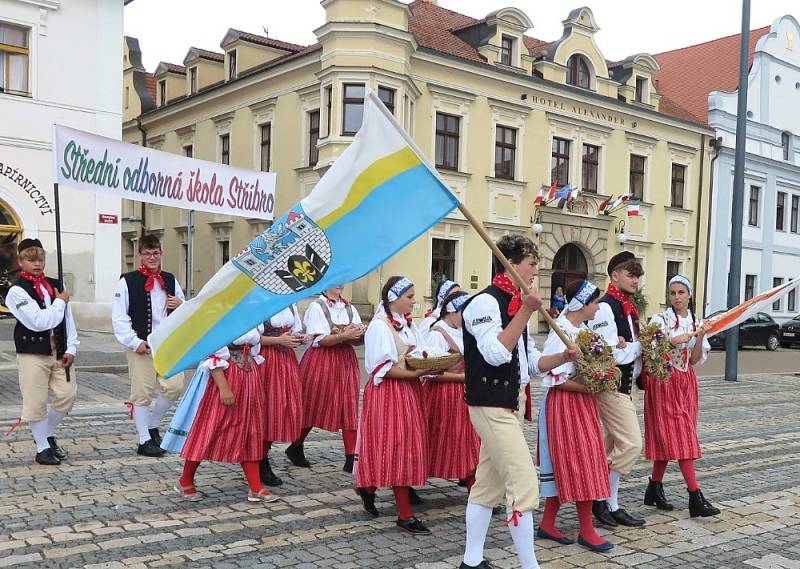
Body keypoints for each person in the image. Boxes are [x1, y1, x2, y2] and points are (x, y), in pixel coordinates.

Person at [459, 234, 580, 569]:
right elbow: (495, 354)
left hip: (508, 405)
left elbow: (528, 364)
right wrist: (526, 312)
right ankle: (530, 566)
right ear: (511, 264)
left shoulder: (516, 303)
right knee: (524, 484)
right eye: (531, 264)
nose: (535, 272)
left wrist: (563, 357)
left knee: (488, 484)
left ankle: (471, 561)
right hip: (489, 404)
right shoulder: (484, 303)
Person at [537, 279, 613, 552]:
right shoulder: (561, 332)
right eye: (594, 302)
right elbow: (552, 378)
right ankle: (587, 530)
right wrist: (589, 385)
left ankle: (547, 523)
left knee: (579, 461)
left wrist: (598, 379)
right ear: (582, 303)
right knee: (581, 462)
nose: (598, 307)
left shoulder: (583, 330)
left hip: (582, 402)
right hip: (565, 404)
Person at [356, 276, 431, 535]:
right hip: (389, 393)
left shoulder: (408, 326)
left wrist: (428, 365)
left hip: (408, 391)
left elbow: (417, 355)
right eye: (409, 296)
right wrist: (414, 375)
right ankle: (405, 514)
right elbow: (381, 368)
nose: (413, 301)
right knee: (396, 448)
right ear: (393, 298)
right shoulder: (379, 326)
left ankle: (368, 487)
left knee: (403, 447)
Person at [643, 275, 720, 518]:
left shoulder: (696, 321)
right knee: (681, 436)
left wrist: (699, 337)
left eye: (680, 292)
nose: (676, 297)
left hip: (686, 380)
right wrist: (671, 340)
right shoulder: (661, 320)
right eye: (672, 292)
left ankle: (654, 488)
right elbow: (649, 349)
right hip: (664, 380)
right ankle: (695, 496)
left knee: (672, 435)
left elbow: (695, 359)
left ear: (689, 295)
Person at [175, 325, 278, 503]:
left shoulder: (252, 317)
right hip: (227, 377)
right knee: (211, 429)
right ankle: (185, 480)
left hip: (249, 377)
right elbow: (212, 352)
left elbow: (255, 347)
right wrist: (223, 387)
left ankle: (255, 486)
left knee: (250, 429)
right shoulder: (224, 318)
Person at [112, 234, 185, 457]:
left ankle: (152, 425)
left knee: (174, 386)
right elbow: (119, 316)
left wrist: (181, 305)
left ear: (161, 254)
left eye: (155, 253)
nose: (152, 257)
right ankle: (144, 440)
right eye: (147, 253)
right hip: (142, 344)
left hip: (167, 345)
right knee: (141, 393)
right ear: (140, 256)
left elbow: (186, 314)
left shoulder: (170, 279)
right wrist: (134, 342)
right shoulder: (128, 280)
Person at [587, 251, 646, 528]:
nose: (636, 279)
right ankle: (600, 497)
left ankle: (610, 502)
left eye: (638, 275)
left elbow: (623, 350)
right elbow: (609, 354)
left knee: (611, 446)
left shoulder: (627, 306)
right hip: (611, 386)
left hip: (625, 386)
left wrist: (629, 346)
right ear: (615, 276)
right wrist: (640, 346)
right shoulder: (607, 306)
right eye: (630, 274)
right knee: (631, 444)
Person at [6, 238, 78, 465]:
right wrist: (59, 303)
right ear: (21, 261)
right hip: (32, 353)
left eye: (40, 259)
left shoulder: (56, 284)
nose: (37, 264)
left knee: (68, 394)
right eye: (31, 259)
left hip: (59, 351)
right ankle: (42, 447)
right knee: (35, 402)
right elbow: (38, 322)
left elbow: (68, 320)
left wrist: (72, 347)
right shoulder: (15, 291)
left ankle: (45, 433)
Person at [289, 285, 364, 471]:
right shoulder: (317, 306)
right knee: (313, 405)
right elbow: (319, 340)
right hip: (322, 359)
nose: (340, 284)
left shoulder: (349, 307)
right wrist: (344, 335)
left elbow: (354, 337)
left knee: (349, 405)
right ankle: (296, 445)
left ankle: (350, 457)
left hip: (345, 359)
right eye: (335, 279)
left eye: (342, 280)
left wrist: (359, 335)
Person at [424, 290, 479, 489]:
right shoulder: (437, 334)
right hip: (444, 395)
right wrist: (461, 377)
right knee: (440, 440)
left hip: (463, 395)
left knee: (468, 440)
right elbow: (429, 372)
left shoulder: (461, 331)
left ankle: (473, 487)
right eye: (463, 314)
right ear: (452, 312)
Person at [259, 304, 305, 486]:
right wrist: (279, 340)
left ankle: (263, 454)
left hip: (286, 360)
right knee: (266, 410)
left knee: (280, 410)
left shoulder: (290, 303)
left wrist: (298, 338)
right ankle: (261, 460)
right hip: (265, 359)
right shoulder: (258, 303)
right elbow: (249, 338)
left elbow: (294, 331)